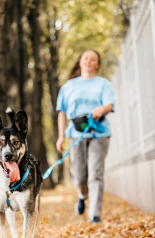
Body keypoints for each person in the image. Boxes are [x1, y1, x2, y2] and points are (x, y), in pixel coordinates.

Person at [56, 49, 115, 223]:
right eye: (86, 58)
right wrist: (61, 137)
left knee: (96, 173)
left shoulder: (103, 84)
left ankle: (94, 215)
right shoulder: (69, 86)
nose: (89, 61)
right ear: (80, 62)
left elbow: (110, 105)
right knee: (80, 175)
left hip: (99, 133)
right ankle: (82, 195)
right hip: (75, 134)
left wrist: (101, 109)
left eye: (93, 59)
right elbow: (62, 112)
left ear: (97, 64)